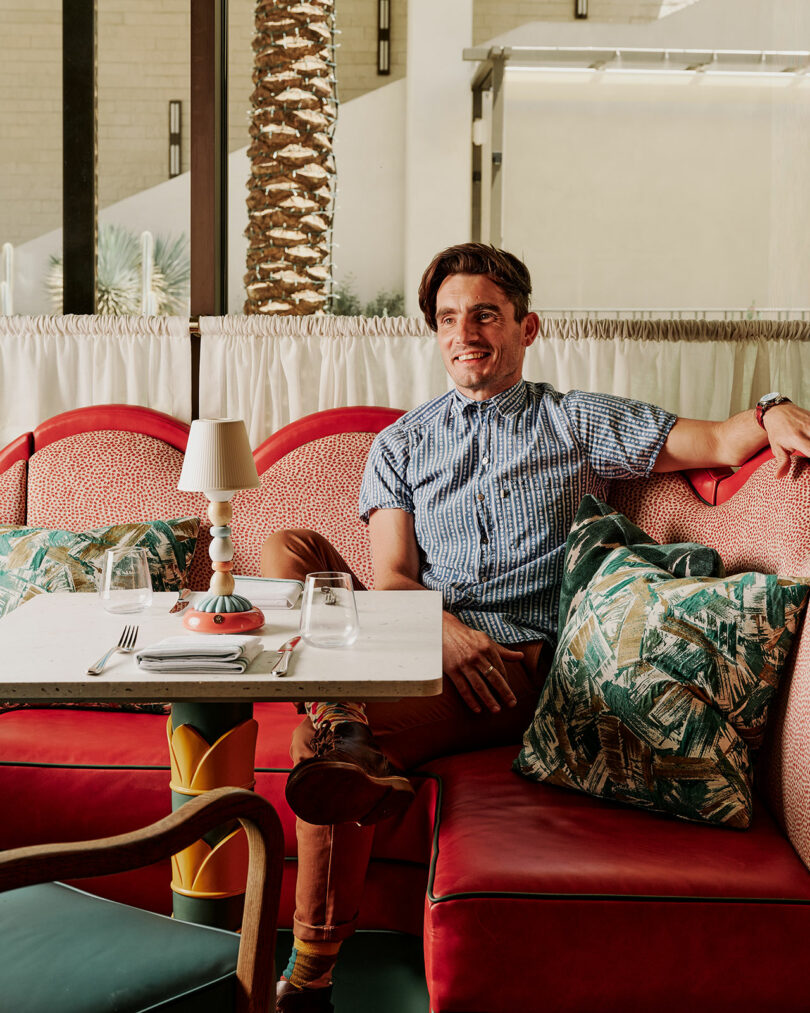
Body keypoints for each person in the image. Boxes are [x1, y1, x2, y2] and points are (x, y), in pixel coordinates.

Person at [263, 243, 810, 1012]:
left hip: (515, 668)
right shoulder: (402, 444)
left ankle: (309, 974)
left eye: (486, 314)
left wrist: (774, 407)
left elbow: (718, 442)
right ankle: (341, 714)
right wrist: (441, 629)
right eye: (450, 318)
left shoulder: (576, 421)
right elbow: (390, 577)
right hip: (417, 635)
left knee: (314, 747)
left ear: (527, 327)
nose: (467, 332)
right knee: (287, 550)